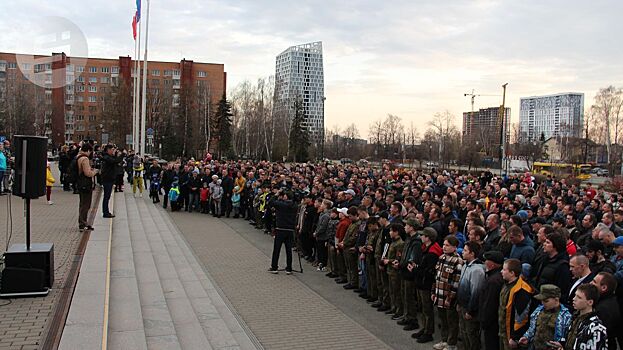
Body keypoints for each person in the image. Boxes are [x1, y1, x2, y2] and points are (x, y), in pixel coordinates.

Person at [549, 284, 608, 350]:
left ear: (590, 302)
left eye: (579, 297)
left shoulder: (596, 328)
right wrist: (562, 344)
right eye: (575, 295)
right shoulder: (574, 317)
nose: (574, 299)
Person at [432, 235, 464, 350]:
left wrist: (449, 298)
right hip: (439, 294)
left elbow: (456, 282)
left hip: (448, 297)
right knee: (443, 320)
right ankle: (444, 340)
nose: (444, 247)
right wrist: (433, 291)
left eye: (447, 245)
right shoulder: (441, 257)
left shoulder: (458, 261)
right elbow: (437, 276)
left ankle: (451, 344)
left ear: (455, 247)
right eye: (444, 245)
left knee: (452, 321)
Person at [411, 227, 442, 344]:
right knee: (423, 308)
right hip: (421, 282)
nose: (421, 237)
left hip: (426, 284)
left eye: (423, 235)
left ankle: (428, 332)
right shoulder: (426, 248)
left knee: (427, 309)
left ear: (428, 238)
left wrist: (415, 269)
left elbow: (428, 272)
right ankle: (424, 328)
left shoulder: (432, 253)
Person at [518, 284, 572, 350]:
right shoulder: (538, 311)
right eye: (541, 300)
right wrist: (527, 337)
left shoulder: (566, 316)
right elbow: (532, 328)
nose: (542, 303)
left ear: (556, 300)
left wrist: (562, 345)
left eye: (546, 301)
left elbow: (568, 339)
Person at [499, 258, 535, 350]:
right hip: (503, 332)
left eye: (504, 269)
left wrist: (515, 337)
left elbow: (521, 317)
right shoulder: (507, 284)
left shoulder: (522, 290)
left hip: (511, 336)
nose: (501, 271)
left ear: (512, 273)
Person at [456, 241, 486, 350]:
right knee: (463, 331)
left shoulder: (477, 270)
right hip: (462, 304)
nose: (462, 252)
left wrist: (470, 310)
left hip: (470, 308)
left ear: (472, 253)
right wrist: (458, 303)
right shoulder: (466, 265)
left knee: (471, 333)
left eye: (465, 250)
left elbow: (476, 292)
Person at [479, 250, 505, 350]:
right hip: (494, 321)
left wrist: (484, 321)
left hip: (491, 322)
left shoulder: (493, 281)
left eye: (486, 260)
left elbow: (489, 303)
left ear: (492, 264)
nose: (484, 263)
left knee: (491, 344)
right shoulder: (494, 277)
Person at [268, 190, 298, 274]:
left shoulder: (281, 205)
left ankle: (274, 267)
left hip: (280, 228)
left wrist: (276, 194)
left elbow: (270, 202)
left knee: (277, 249)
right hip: (290, 229)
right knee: (289, 250)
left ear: (286, 197)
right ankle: (289, 268)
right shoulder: (295, 205)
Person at [591, 272, 622, 350]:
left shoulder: (604, 309)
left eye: (594, 282)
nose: (590, 283)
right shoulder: (607, 301)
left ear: (604, 287)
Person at [76, 143, 97, 231]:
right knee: (86, 204)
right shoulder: (84, 159)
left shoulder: (78, 156)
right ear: (88, 150)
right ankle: (83, 223)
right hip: (85, 184)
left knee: (82, 203)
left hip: (80, 183)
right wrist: (95, 171)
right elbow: (87, 173)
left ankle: (82, 222)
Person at [100, 145, 123, 218]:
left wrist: (116, 154)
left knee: (107, 196)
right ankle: (105, 212)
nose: (113, 151)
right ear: (108, 150)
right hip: (107, 179)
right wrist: (123, 154)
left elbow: (115, 160)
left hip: (109, 179)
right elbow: (115, 161)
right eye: (112, 150)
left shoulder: (108, 157)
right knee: (106, 196)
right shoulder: (107, 158)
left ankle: (106, 211)